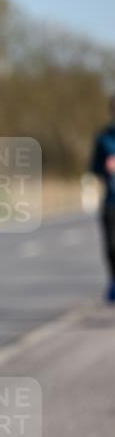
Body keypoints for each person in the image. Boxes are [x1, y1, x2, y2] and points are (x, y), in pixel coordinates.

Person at [90, 94, 115, 303]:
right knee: (111, 246)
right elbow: (94, 167)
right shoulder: (104, 138)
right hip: (111, 202)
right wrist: (105, 168)